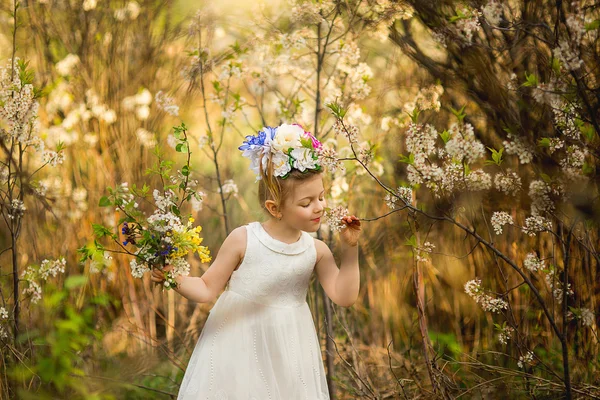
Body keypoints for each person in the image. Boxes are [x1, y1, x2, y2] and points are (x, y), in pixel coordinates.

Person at [151, 123, 361, 400]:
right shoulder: (244, 239)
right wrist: (173, 278)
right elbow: (206, 288)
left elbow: (344, 296)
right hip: (237, 344)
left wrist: (350, 249)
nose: (320, 207)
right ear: (275, 208)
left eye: (321, 197)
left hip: (290, 349)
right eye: (307, 202)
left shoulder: (316, 250)